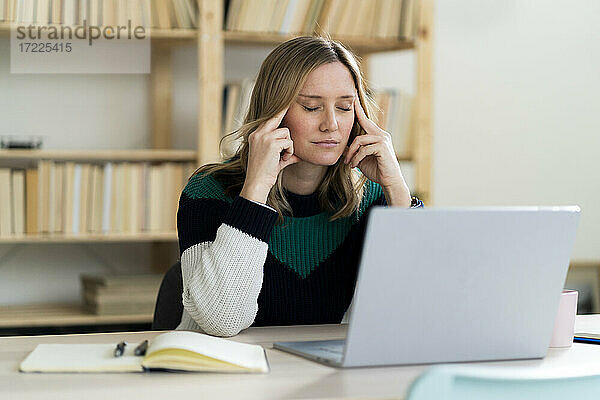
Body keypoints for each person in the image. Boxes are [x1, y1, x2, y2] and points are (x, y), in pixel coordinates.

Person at [176, 36, 423, 337]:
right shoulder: (208, 192)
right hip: (223, 373)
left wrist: (396, 188)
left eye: (345, 108)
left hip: (321, 375)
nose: (331, 124)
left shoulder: (369, 197)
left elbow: (423, 310)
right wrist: (255, 190)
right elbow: (221, 319)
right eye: (311, 107)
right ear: (273, 113)